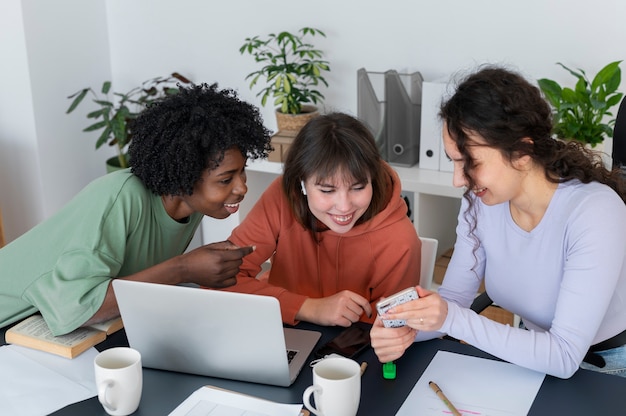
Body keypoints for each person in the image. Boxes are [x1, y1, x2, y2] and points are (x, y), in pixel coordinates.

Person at [371, 65, 626, 379]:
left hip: (609, 369)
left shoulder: (595, 212)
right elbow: (454, 301)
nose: (457, 180)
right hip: (531, 353)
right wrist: (402, 328)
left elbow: (563, 355)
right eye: (454, 161)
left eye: (471, 162)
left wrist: (449, 318)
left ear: (522, 151)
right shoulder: (479, 204)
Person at [0, 83, 272, 336]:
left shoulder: (191, 206)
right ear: (183, 176)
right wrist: (183, 268)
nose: (242, 188)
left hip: (43, 326)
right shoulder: (121, 197)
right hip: (11, 323)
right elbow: (74, 309)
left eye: (242, 172)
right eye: (226, 179)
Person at [223, 112, 421, 327]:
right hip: (281, 330)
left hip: (355, 350)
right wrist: (306, 307)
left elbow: (394, 328)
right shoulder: (282, 197)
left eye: (358, 187)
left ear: (372, 179)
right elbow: (221, 280)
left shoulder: (401, 239)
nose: (344, 206)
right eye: (327, 190)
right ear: (302, 183)